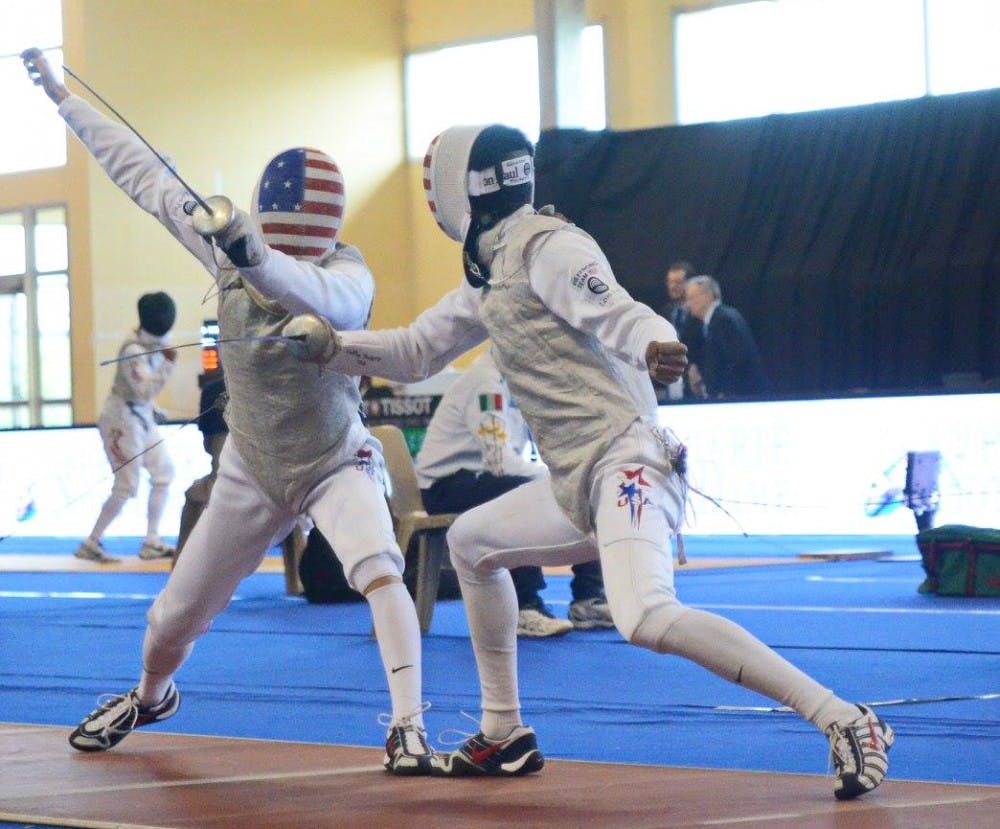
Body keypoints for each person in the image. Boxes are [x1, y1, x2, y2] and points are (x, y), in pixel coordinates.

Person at [312, 124, 893, 799]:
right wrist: (328, 346)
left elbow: (618, 309)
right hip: (577, 480)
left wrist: (654, 342)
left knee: (644, 615)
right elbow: (414, 350)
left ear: (463, 189)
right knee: (470, 542)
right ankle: (503, 731)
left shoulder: (549, 246)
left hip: (629, 461)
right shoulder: (488, 278)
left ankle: (845, 718)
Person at [22, 49, 434, 774]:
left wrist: (251, 254)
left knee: (378, 567)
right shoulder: (230, 249)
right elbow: (148, 176)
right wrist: (64, 100)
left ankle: (409, 727)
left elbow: (319, 297)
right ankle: (151, 696)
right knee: (171, 618)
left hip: (335, 459)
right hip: (252, 468)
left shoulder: (347, 274)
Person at [416, 349, 614, 637]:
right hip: (444, 486)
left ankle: (589, 597)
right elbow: (499, 462)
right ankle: (524, 606)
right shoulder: (486, 383)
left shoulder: (522, 383)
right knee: (521, 491)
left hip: (482, 479)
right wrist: (553, 478)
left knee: (582, 486)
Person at [75, 291, 178, 564]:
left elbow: (144, 396)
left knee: (164, 473)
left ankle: (152, 541)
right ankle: (91, 542)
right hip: (120, 422)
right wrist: (168, 365)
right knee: (126, 485)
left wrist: (154, 408)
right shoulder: (133, 351)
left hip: (141, 417)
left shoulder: (158, 344)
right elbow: (143, 390)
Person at [684, 274, 767, 399]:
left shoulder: (723, 320)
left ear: (708, 295)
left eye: (691, 298)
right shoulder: (717, 319)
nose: (688, 304)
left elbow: (738, 360)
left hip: (740, 396)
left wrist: (725, 392)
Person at [659, 260, 703, 401]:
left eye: (678, 282)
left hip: (698, 379)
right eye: (670, 282)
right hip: (672, 379)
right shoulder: (665, 312)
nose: (673, 286)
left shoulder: (701, 311)